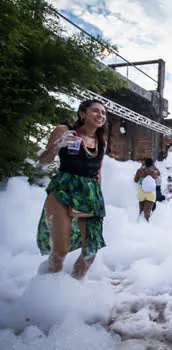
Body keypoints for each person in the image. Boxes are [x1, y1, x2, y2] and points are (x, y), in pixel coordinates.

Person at [36, 99, 108, 280]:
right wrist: (57, 144)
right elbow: (43, 162)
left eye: (103, 113)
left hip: (90, 192)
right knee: (60, 250)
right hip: (64, 188)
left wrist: (98, 199)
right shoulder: (64, 130)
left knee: (90, 251)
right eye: (95, 111)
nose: (100, 115)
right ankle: (45, 288)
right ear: (82, 114)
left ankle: (73, 289)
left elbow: (98, 172)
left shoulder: (101, 142)